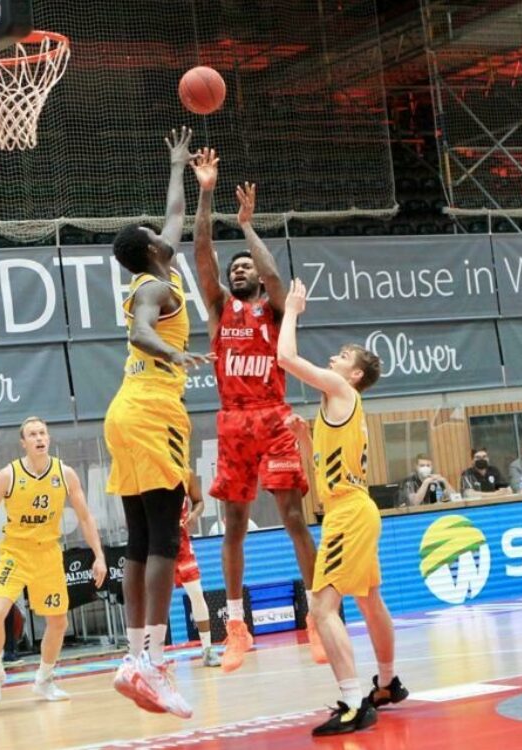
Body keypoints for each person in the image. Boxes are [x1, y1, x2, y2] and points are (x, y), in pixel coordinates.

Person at [191, 165, 321, 671]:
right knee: (235, 527)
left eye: (245, 266)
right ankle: (237, 627)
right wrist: (206, 196)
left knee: (292, 518)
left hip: (273, 415)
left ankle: (315, 618)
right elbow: (202, 254)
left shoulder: (273, 311)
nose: (239, 269)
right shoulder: (219, 308)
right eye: (235, 267)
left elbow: (274, 277)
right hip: (234, 421)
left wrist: (246, 227)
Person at [103, 127, 212, 720]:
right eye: (153, 234)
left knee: (141, 541)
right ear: (150, 250)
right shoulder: (155, 290)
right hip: (150, 408)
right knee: (167, 540)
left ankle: (134, 658)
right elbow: (141, 330)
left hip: (126, 410)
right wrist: (172, 354)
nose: (159, 230)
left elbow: (172, 215)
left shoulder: (154, 270)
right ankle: (152, 660)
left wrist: (177, 166)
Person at [277, 278, 407, 736]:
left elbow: (286, 359)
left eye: (343, 358)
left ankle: (354, 702)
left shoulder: (340, 390)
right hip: (352, 507)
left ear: (353, 375)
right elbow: (324, 482)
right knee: (370, 600)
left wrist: (291, 310)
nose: (334, 359)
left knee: (321, 607)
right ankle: (386, 684)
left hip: (350, 514)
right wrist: (306, 440)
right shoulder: (337, 411)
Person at [0, 416, 107, 707]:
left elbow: (85, 517)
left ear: (49, 438)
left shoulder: (65, 473)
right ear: (23, 442)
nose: (39, 437)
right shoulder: (8, 475)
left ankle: (45, 679)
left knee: (58, 622)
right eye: (32, 434)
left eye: (42, 432)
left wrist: (99, 556)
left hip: (47, 554)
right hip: (14, 553)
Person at [176, 471, 221, 668]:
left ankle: (208, 649)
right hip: (157, 540)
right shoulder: (150, 469)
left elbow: (199, 501)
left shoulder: (186, 473)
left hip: (181, 541)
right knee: (153, 596)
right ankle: (149, 655)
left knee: (196, 593)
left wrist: (193, 514)